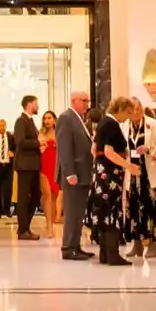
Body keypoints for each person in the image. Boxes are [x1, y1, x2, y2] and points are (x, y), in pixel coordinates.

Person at [88, 95, 142, 266]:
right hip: (110, 175)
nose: (128, 116)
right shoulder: (111, 124)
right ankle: (112, 254)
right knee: (111, 210)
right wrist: (129, 166)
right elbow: (109, 152)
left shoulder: (103, 123)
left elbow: (94, 149)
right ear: (120, 110)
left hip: (101, 172)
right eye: (127, 112)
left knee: (103, 211)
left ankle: (106, 253)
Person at [55, 92, 94, 260]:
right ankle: (68, 248)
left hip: (82, 173)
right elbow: (64, 148)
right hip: (74, 174)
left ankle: (75, 246)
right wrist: (70, 172)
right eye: (84, 101)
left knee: (78, 212)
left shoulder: (79, 118)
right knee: (71, 213)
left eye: (88, 101)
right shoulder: (66, 118)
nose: (87, 104)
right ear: (74, 101)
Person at [123, 100, 156, 258]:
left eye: (139, 108)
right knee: (133, 208)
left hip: (149, 172)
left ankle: (153, 243)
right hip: (132, 173)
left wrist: (148, 149)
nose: (137, 111)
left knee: (152, 206)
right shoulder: (125, 126)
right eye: (133, 109)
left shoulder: (152, 124)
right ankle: (137, 244)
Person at [12, 95, 43, 240]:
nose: (38, 107)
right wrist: (39, 143)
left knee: (36, 196)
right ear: (29, 104)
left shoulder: (30, 121)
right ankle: (23, 230)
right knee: (24, 198)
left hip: (33, 164)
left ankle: (24, 227)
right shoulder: (21, 121)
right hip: (25, 165)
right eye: (36, 104)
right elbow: (21, 142)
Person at [38, 110, 62, 238]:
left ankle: (51, 223)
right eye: (45, 118)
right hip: (43, 166)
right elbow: (39, 148)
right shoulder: (40, 133)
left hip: (56, 166)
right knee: (47, 195)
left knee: (54, 196)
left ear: (54, 119)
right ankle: (49, 227)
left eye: (49, 118)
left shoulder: (59, 132)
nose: (47, 120)